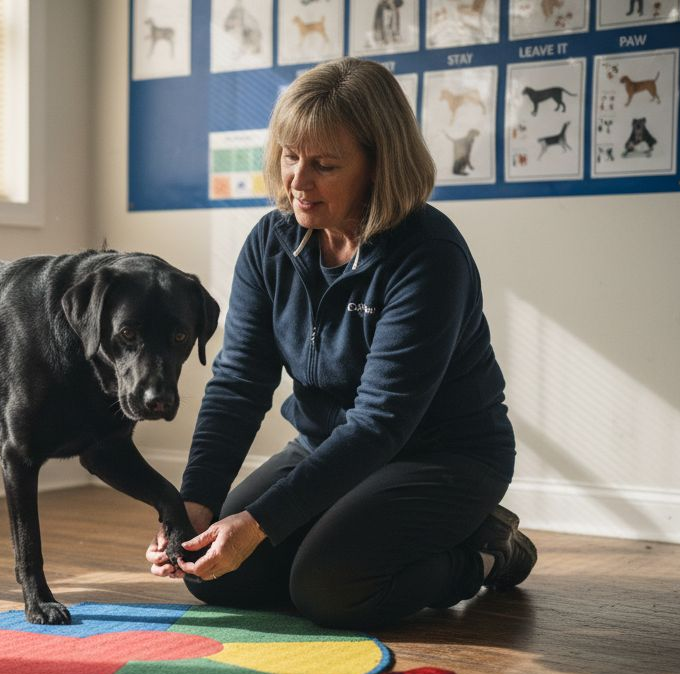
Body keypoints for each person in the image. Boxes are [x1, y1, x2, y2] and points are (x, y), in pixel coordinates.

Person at [145, 57, 536, 629]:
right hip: (327, 447)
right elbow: (238, 384)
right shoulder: (270, 243)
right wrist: (195, 503)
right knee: (218, 576)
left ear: (379, 166)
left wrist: (258, 525)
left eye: (325, 164)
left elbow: (381, 422)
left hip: (443, 456)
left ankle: (486, 550)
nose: (297, 182)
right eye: (289, 156)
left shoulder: (429, 255)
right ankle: (337, 544)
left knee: (329, 589)